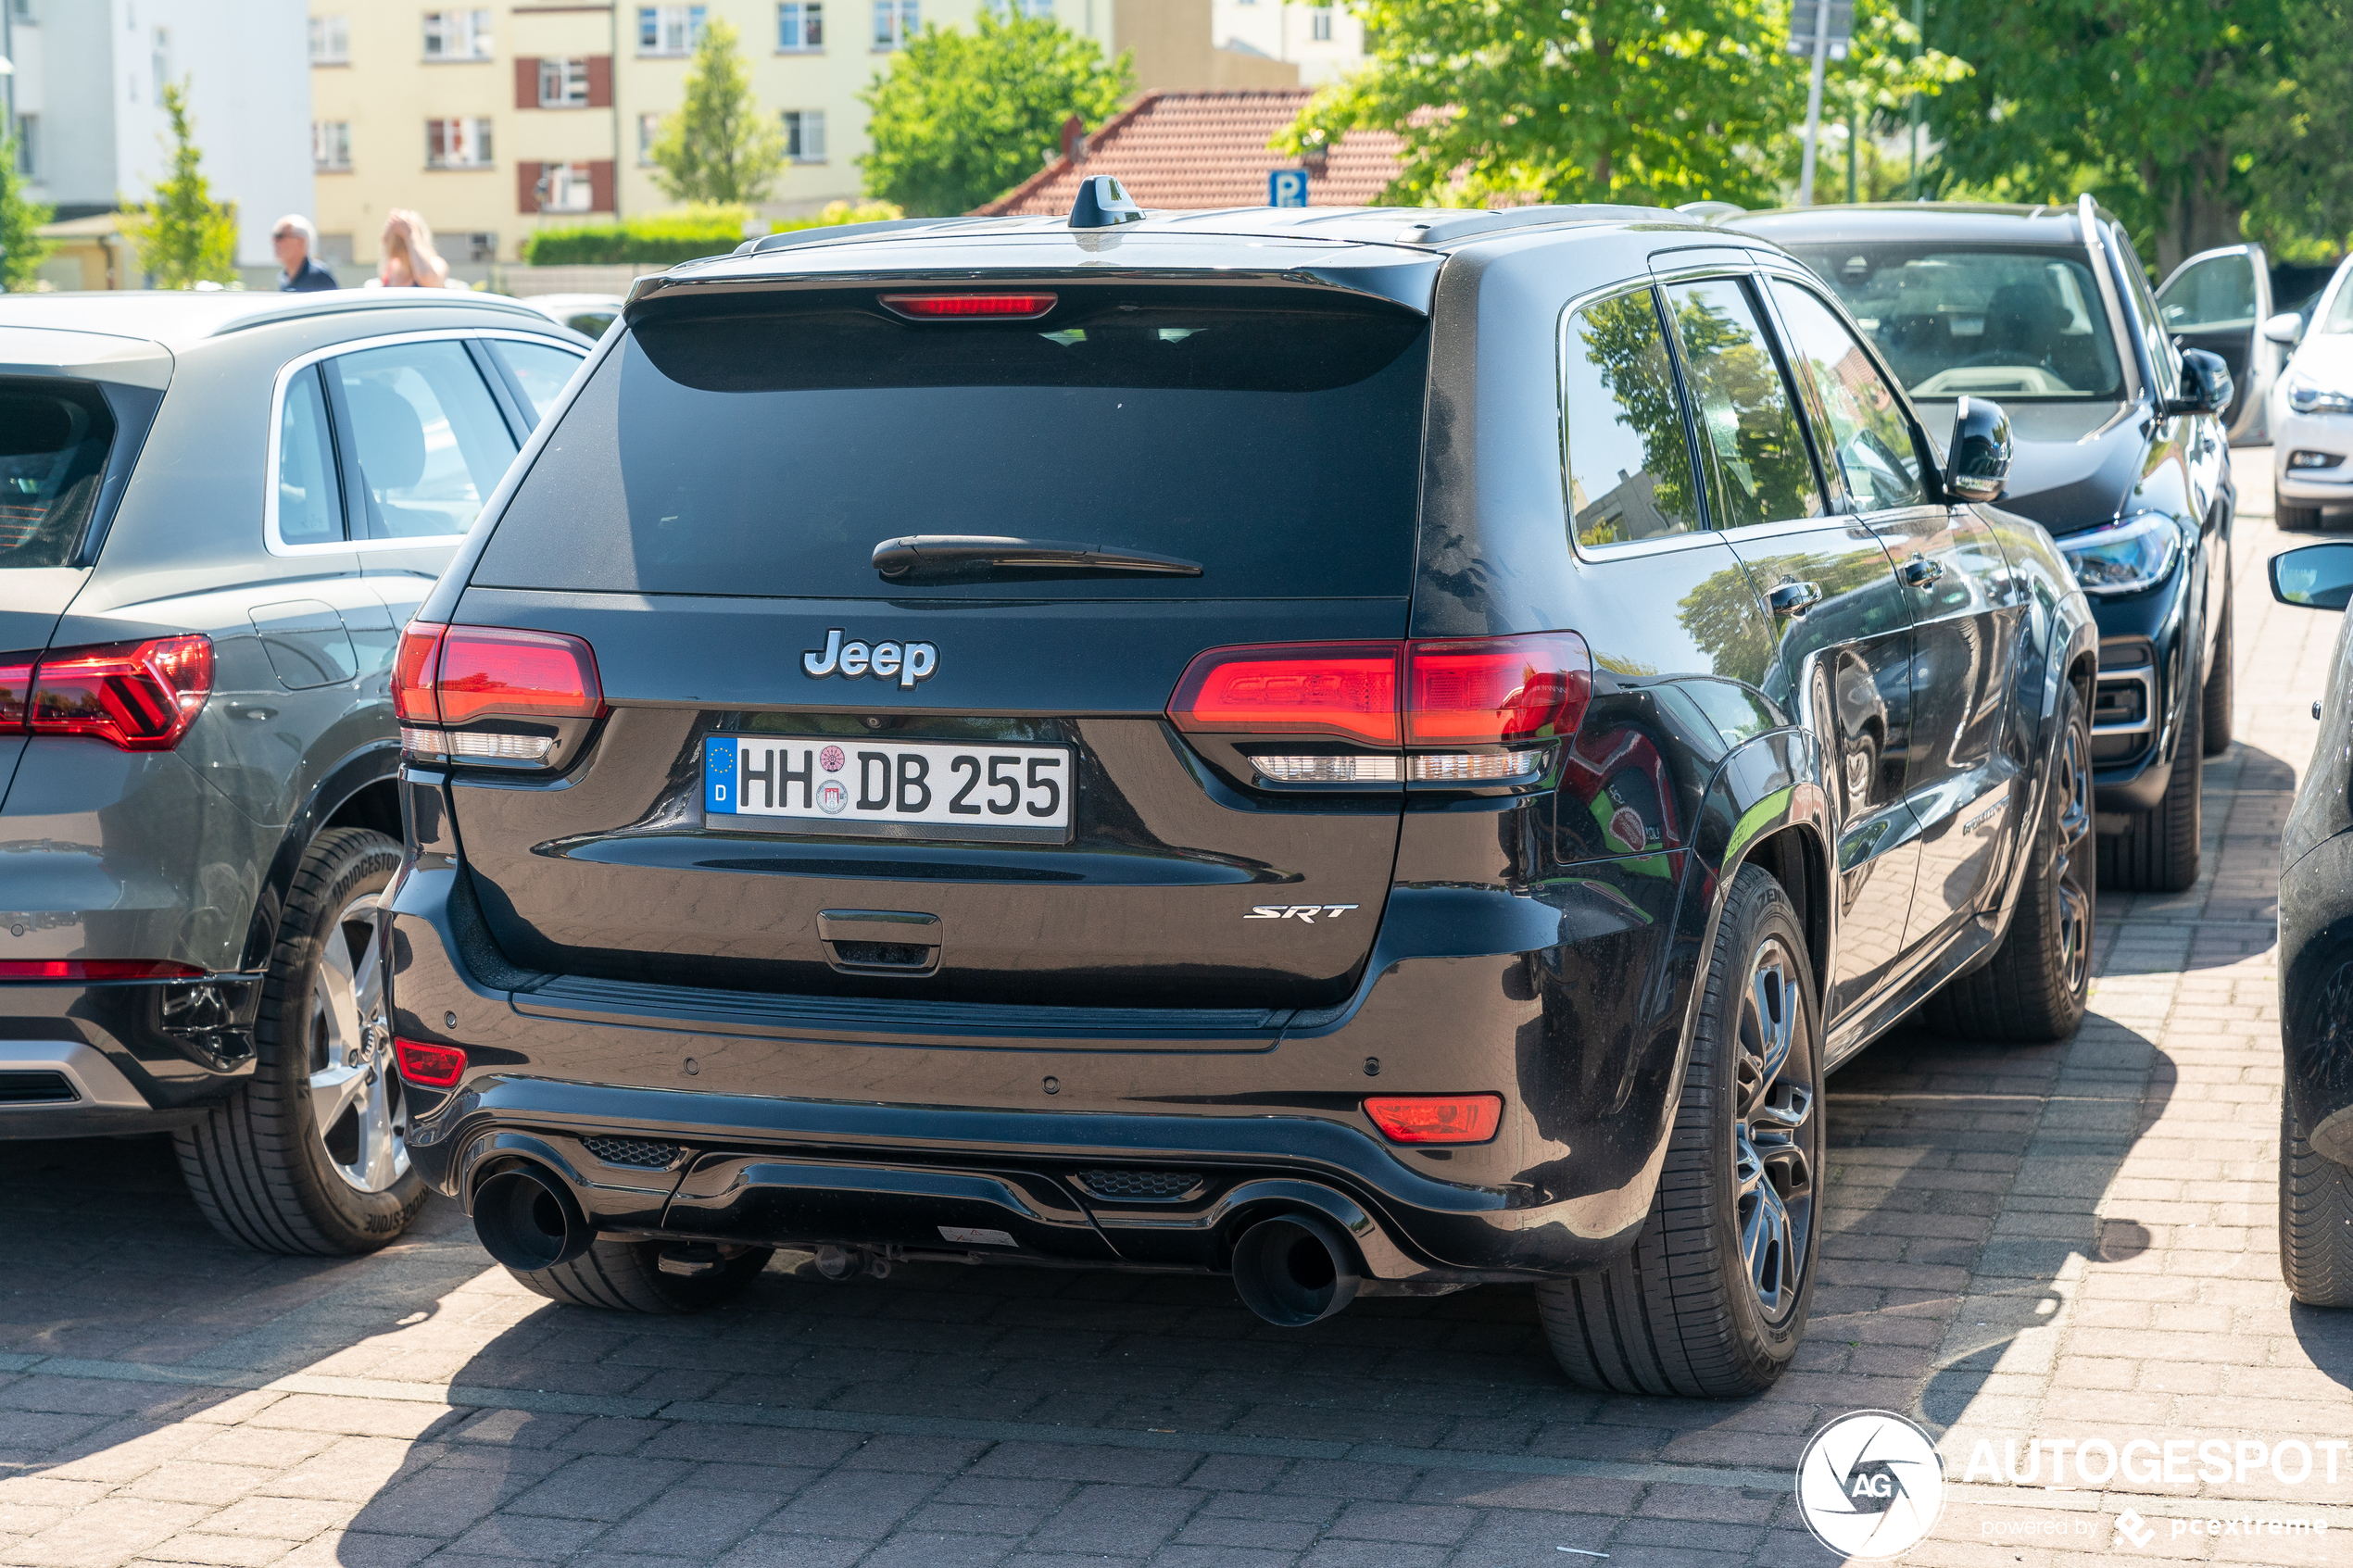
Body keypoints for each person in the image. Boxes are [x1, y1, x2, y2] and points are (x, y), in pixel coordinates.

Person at [374, 209, 453, 289]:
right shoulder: (391, 268)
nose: (384, 239)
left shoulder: (436, 264)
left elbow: (427, 279)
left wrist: (410, 233)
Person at [271, 215, 338, 292]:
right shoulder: (283, 278)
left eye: (280, 236)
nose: (274, 241)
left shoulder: (319, 276)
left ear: (300, 241)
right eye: (273, 237)